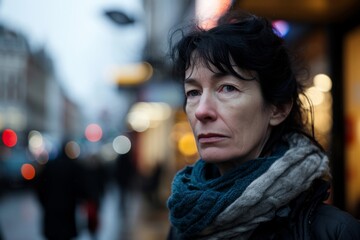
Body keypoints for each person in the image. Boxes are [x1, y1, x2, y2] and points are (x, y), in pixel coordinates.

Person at [166, 10, 360, 240]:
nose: (201, 111)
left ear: (278, 108)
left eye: (228, 88)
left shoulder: (334, 232)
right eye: (193, 92)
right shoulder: (185, 220)